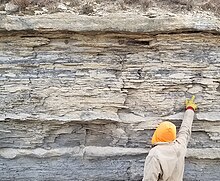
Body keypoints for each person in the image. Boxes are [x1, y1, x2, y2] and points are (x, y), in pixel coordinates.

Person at [142, 96, 197, 181]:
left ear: (157, 134)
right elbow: (185, 129)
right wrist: (190, 109)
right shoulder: (180, 145)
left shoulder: (155, 154)